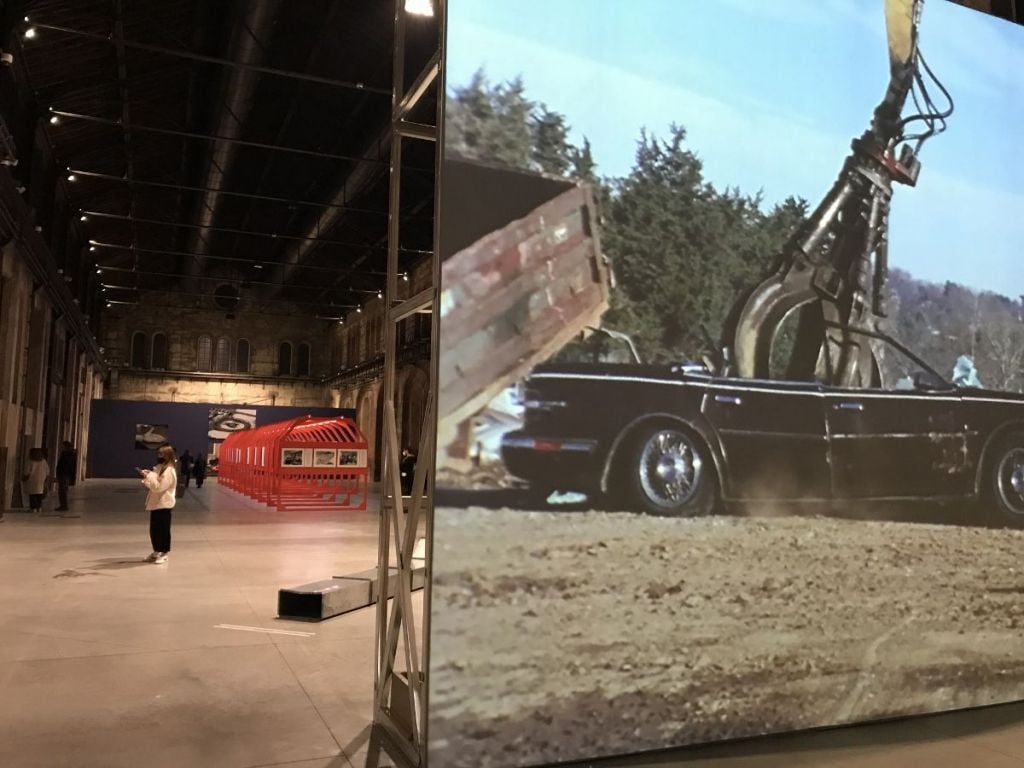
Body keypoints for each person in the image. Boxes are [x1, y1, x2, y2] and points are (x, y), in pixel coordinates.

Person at [140, 445, 177, 564]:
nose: (158, 456)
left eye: (161, 454)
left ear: (167, 455)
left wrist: (148, 478)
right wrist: (149, 474)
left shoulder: (169, 471)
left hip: (164, 504)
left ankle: (164, 552)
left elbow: (159, 487)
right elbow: (156, 478)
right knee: (154, 530)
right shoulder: (160, 467)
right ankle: (156, 551)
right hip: (156, 503)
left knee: (163, 529)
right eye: (158, 454)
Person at [23, 447, 50, 514]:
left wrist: (25, 477)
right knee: (39, 494)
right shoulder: (43, 461)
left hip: (32, 479)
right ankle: (39, 507)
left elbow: (27, 471)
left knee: (32, 494)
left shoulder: (30, 461)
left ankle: (33, 508)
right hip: (41, 479)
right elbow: (47, 470)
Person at [55, 441, 77, 511]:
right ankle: (63, 505)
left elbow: (63, 465)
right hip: (66, 474)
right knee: (63, 490)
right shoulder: (72, 454)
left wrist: (59, 473)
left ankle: (63, 506)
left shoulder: (66, 454)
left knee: (62, 491)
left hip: (63, 474)